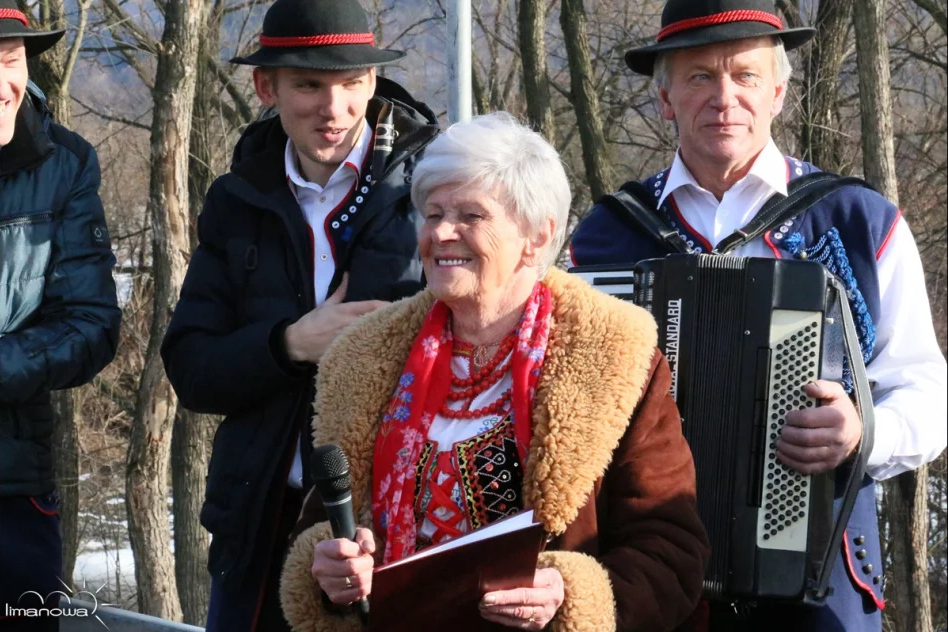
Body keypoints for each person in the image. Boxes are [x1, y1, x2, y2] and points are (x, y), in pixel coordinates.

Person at [570, 0, 948, 630]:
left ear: (778, 92)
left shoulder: (860, 221)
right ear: (665, 100)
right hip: (647, 577)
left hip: (819, 585)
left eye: (745, 75)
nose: (725, 98)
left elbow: (928, 391)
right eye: (699, 77)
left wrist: (861, 431)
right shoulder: (608, 237)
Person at [277, 112, 710, 632]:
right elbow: (322, 524)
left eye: (471, 216)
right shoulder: (362, 358)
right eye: (432, 213)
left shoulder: (614, 356)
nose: (441, 232)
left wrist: (569, 597)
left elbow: (672, 549)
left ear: (537, 234)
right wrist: (327, 566)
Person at [159, 0, 438, 628]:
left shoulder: (433, 189)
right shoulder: (237, 198)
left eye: (350, 84)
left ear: (372, 82)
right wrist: (288, 345)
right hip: (261, 520)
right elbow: (191, 366)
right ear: (267, 86)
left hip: (395, 526)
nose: (332, 109)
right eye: (309, 84)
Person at [0, 1, 121, 629]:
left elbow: (92, 325)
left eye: (10, 60)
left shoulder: (65, 164)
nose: (1, 86)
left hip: (13, 485)